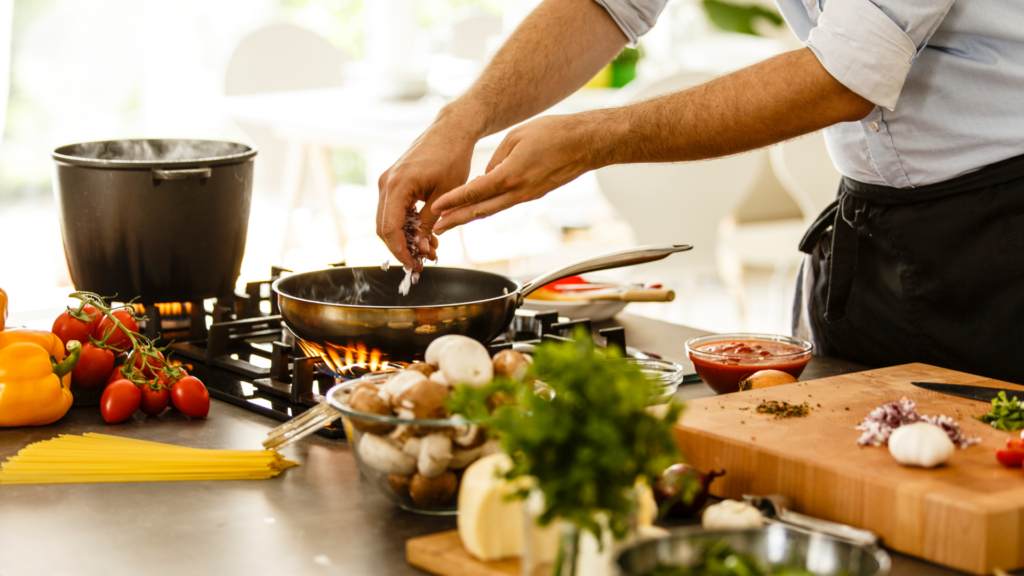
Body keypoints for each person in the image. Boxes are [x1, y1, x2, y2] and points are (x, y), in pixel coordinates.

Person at [376, 0, 1024, 383]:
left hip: (1004, 229)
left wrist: (595, 139)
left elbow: (847, 74)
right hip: (878, 228)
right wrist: (463, 118)